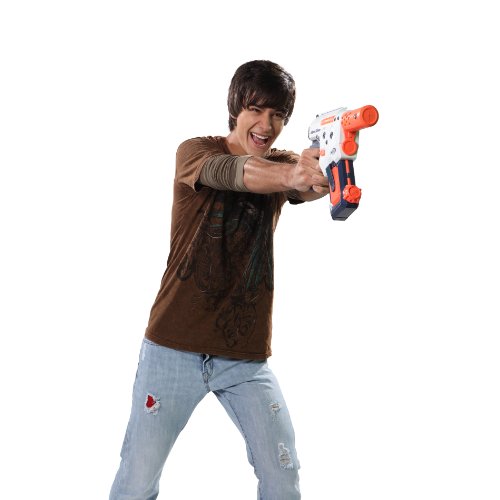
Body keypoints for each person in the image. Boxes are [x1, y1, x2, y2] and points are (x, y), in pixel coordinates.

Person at [109, 60, 329, 500]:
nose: (265, 125)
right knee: (137, 480)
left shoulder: (284, 163)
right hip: (172, 348)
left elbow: (308, 187)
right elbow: (236, 173)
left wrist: (328, 170)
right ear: (236, 108)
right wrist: (293, 175)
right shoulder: (195, 152)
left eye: (277, 115)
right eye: (256, 110)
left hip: (244, 355)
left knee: (282, 475)